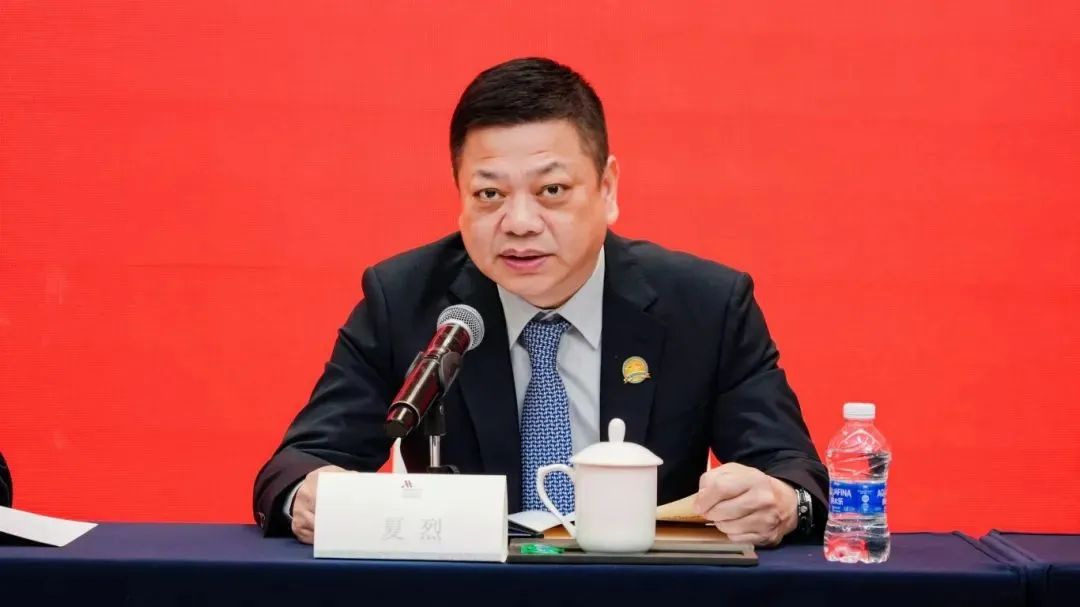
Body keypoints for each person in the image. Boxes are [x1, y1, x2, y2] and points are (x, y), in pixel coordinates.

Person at [254, 57, 827, 546]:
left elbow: (796, 475)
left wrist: (780, 502)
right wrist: (308, 494)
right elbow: (297, 466)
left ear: (607, 188)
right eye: (489, 194)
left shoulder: (705, 306)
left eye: (552, 190)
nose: (520, 222)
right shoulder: (406, 299)